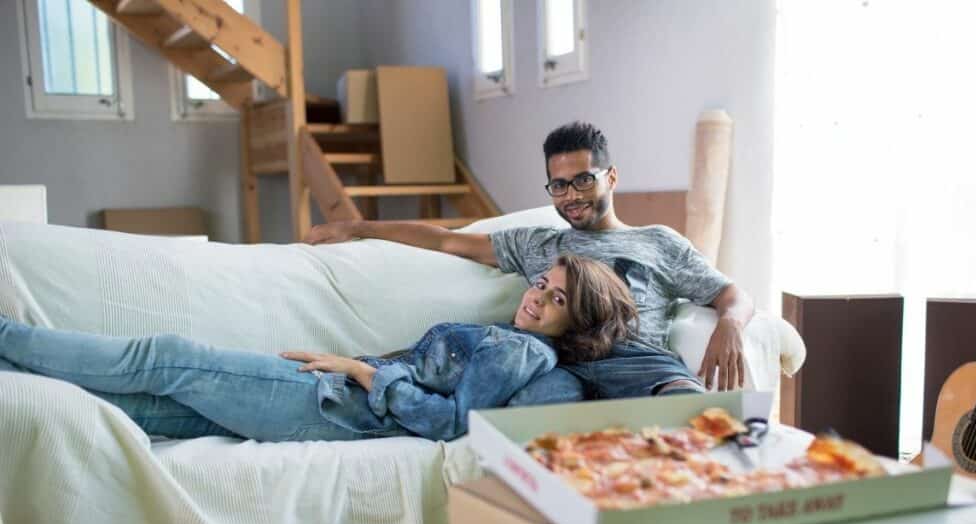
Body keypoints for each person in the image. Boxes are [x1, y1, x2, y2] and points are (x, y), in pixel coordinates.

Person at [305, 121, 753, 404]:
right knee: (528, 407)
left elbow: (732, 295)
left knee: (692, 410)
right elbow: (445, 240)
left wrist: (731, 323)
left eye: (583, 180)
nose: (571, 195)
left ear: (611, 177)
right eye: (559, 185)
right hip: (559, 363)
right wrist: (357, 227)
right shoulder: (538, 243)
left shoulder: (657, 241)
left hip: (636, 362)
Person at [0, 255, 636, 443]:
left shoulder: (524, 355)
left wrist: (360, 370)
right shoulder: (512, 338)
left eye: (557, 300)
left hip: (333, 403)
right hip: (335, 397)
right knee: (154, 412)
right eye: (542, 284)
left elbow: (451, 423)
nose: (537, 298)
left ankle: (7, 338)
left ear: (575, 322)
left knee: (164, 358)